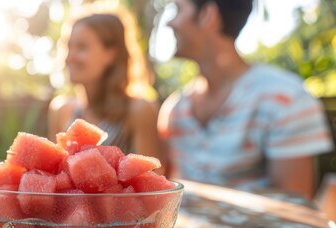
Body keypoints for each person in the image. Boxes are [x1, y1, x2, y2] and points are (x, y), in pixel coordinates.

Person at [158, 0, 333, 199]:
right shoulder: (175, 109)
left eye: (178, 9)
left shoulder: (286, 99)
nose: (169, 22)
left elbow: (294, 210)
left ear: (208, 15)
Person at [48, 12, 162, 159]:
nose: (69, 58)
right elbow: (54, 174)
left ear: (111, 54)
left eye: (82, 47)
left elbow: (151, 177)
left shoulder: (138, 110)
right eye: (69, 47)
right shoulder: (61, 110)